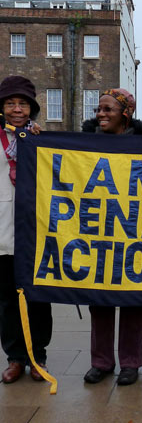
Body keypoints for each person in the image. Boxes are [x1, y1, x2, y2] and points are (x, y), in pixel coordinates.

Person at [82, 88, 142, 386]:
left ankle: (130, 363)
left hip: (134, 235)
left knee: (133, 299)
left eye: (108, 109)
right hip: (99, 234)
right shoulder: (84, 144)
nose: (101, 114)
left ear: (126, 114)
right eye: (99, 109)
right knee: (100, 299)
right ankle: (102, 362)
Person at [0, 75, 53, 383]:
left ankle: (39, 356)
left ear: (31, 109)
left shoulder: (40, 138)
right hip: (4, 230)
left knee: (38, 297)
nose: (17, 110)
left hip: (36, 232)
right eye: (10, 103)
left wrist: (40, 142)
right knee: (7, 300)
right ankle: (15, 357)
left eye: (22, 104)